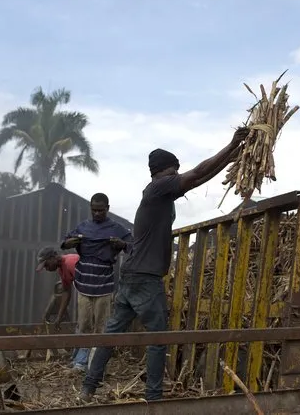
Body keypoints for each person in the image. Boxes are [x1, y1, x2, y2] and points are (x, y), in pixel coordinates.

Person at [81, 126, 249, 402]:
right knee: (158, 339)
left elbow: (198, 178)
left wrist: (229, 160)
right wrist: (231, 145)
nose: (177, 174)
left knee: (112, 334)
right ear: (165, 170)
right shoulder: (160, 187)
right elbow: (195, 174)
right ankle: (155, 398)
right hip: (146, 278)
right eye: (175, 169)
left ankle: (88, 387)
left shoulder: (155, 192)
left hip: (132, 275)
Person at [61, 193, 133, 371]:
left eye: (101, 210)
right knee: (84, 324)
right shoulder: (83, 227)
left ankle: (96, 366)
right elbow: (65, 242)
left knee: (101, 327)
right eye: (94, 210)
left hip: (104, 286)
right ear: (91, 209)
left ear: (107, 209)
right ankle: (80, 362)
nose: (97, 214)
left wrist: (121, 245)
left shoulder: (116, 228)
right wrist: (71, 242)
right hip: (84, 284)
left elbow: (132, 244)